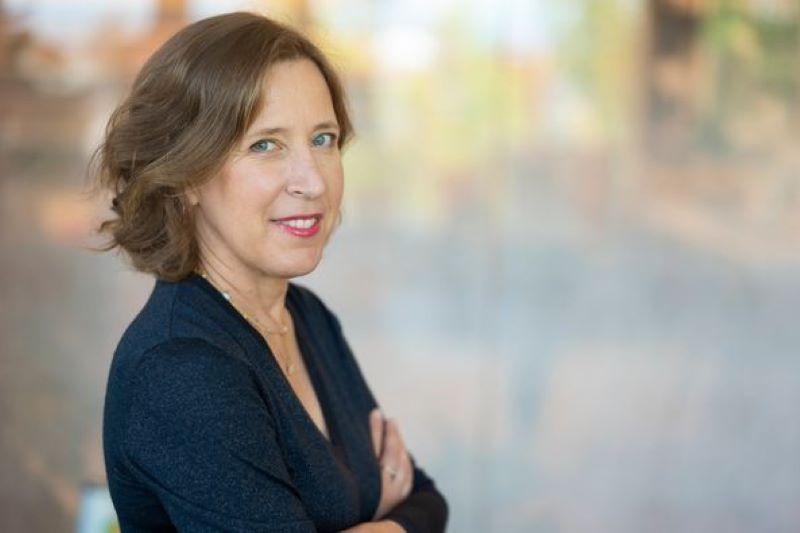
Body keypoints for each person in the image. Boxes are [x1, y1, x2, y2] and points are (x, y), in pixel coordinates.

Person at [97, 12, 448, 533]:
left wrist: (394, 521)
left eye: (323, 139)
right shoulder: (182, 370)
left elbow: (426, 501)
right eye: (266, 145)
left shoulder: (303, 316)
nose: (313, 181)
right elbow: (412, 511)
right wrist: (390, 521)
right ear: (186, 175)